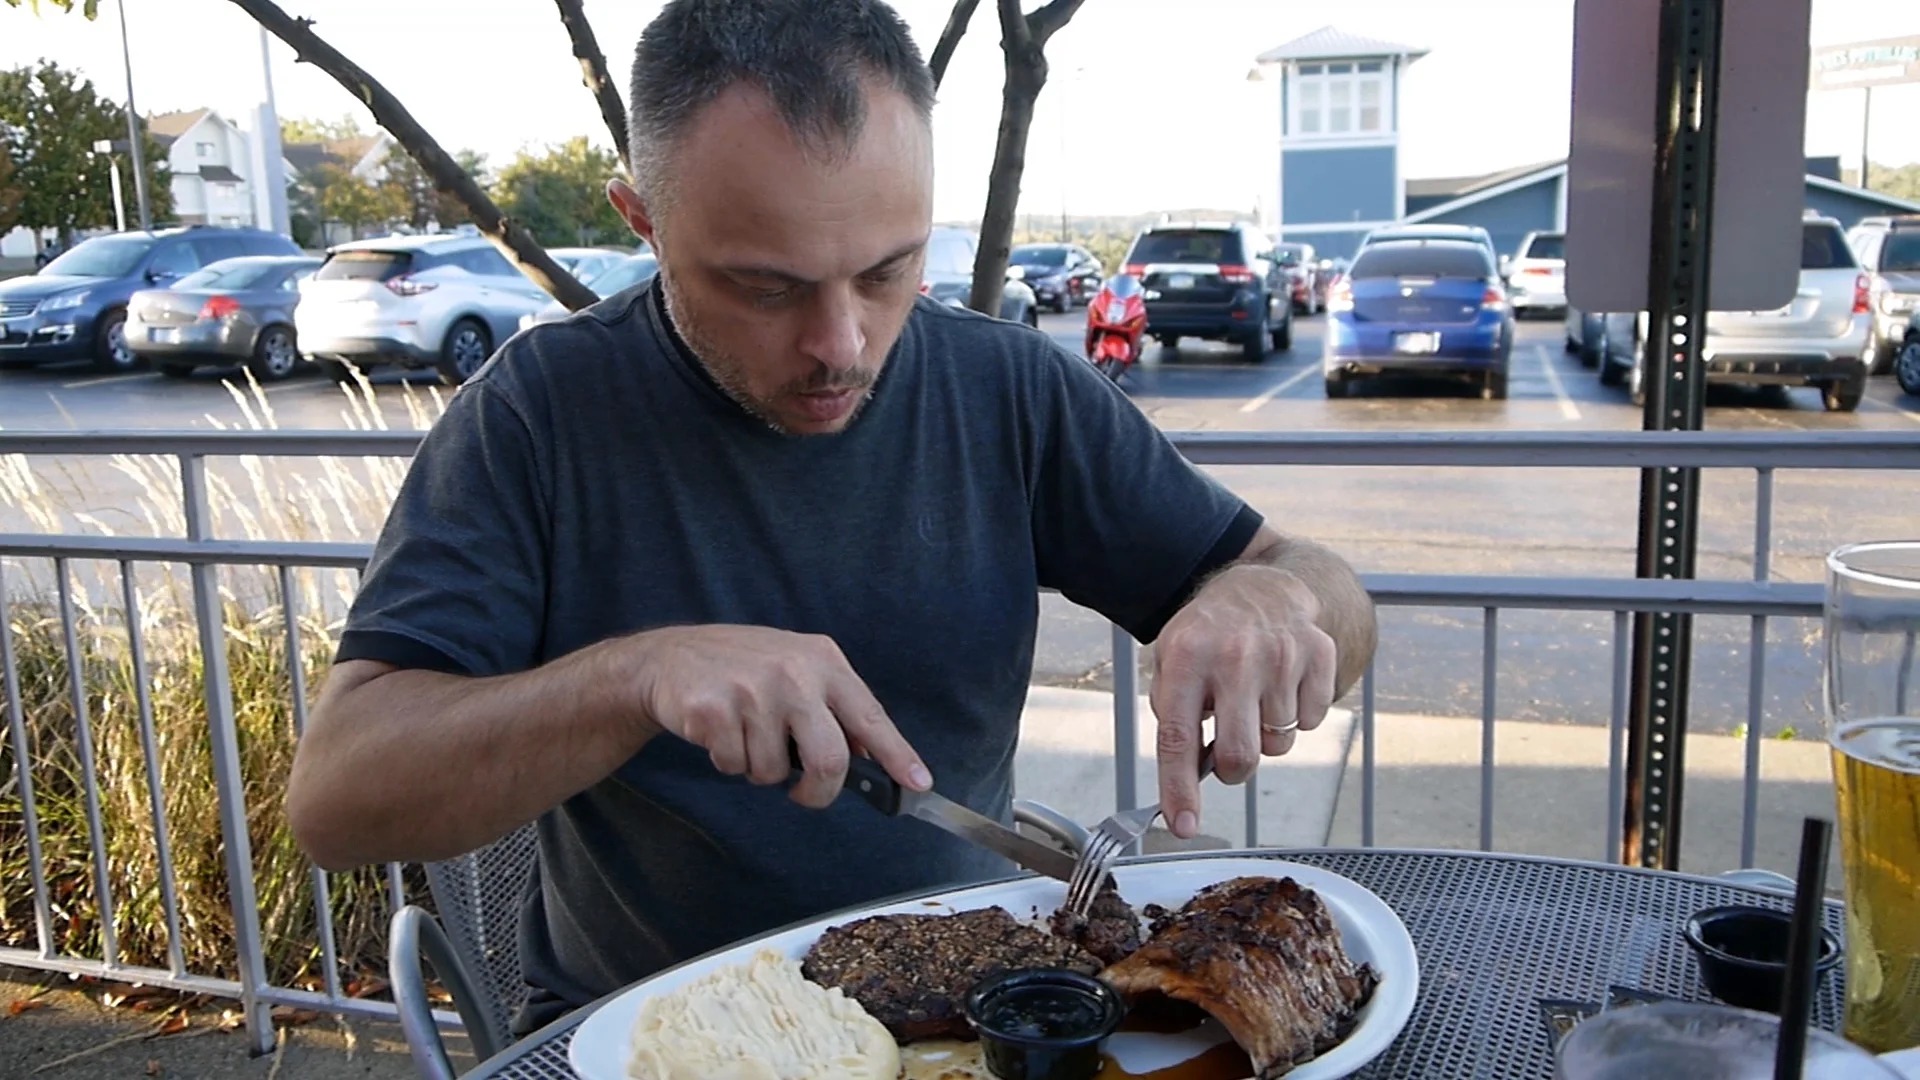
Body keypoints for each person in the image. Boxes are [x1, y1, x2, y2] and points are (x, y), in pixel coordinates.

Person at [285, 0, 1377, 1035]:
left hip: (971, 1011)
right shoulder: (538, 417)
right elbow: (337, 800)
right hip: (651, 1028)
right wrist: (635, 676)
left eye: (889, 269)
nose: (843, 344)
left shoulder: (1007, 392)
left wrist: (1273, 597)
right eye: (767, 288)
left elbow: (1319, 587)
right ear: (645, 221)